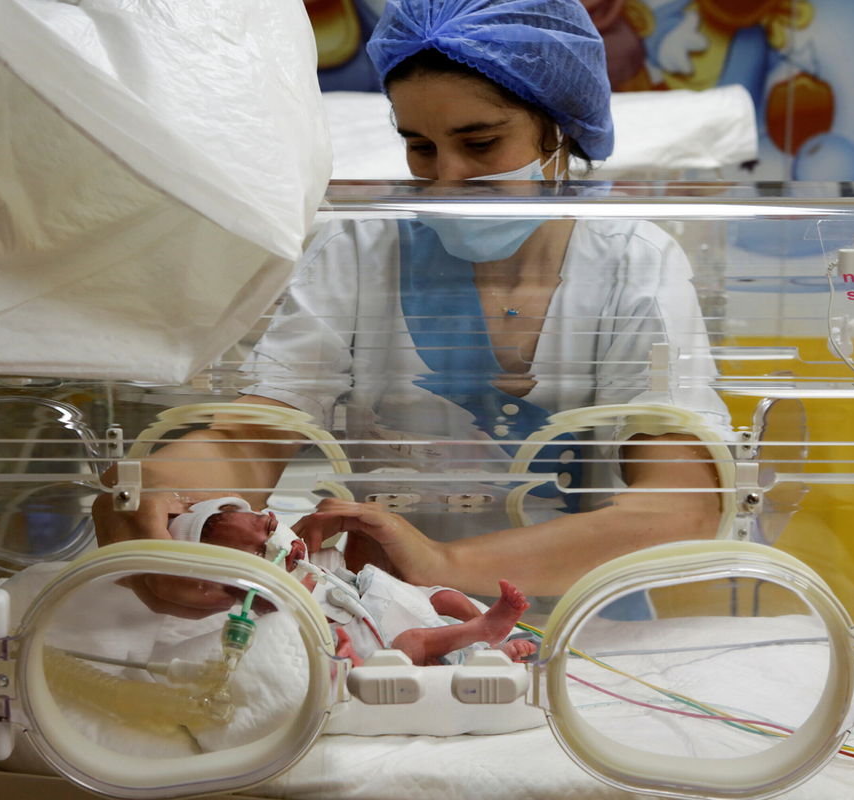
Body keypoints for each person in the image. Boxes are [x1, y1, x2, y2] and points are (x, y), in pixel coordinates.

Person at [93, 0, 729, 619]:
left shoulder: (632, 262)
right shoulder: (362, 249)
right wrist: (160, 485)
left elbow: (683, 510)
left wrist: (443, 563)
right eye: (420, 147)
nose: (446, 178)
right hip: (384, 616)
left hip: (584, 623)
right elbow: (254, 436)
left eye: (480, 144)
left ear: (559, 131)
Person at [171, 498, 538, 666]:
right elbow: (311, 654)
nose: (276, 546)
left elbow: (357, 565)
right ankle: (484, 633)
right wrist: (349, 664)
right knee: (414, 641)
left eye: (269, 529)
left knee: (444, 597)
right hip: (395, 649)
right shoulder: (274, 607)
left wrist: (351, 523)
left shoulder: (318, 560)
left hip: (399, 603)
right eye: (258, 556)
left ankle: (494, 643)